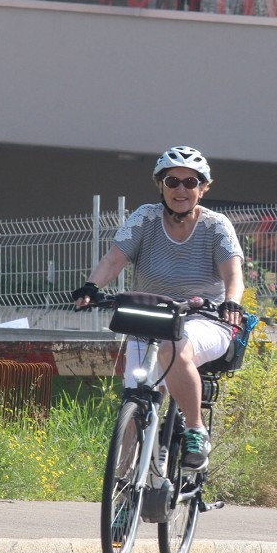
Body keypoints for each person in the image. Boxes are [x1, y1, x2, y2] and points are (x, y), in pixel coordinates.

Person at [73, 145, 244, 471]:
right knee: (136, 401)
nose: (181, 189)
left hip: (205, 319)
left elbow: (233, 274)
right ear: (160, 185)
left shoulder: (216, 225)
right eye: (173, 181)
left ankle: (195, 431)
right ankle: (125, 495)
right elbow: (114, 259)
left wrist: (232, 301)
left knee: (173, 346)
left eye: (190, 183)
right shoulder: (144, 218)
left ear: (203, 188)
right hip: (152, 317)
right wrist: (92, 287)